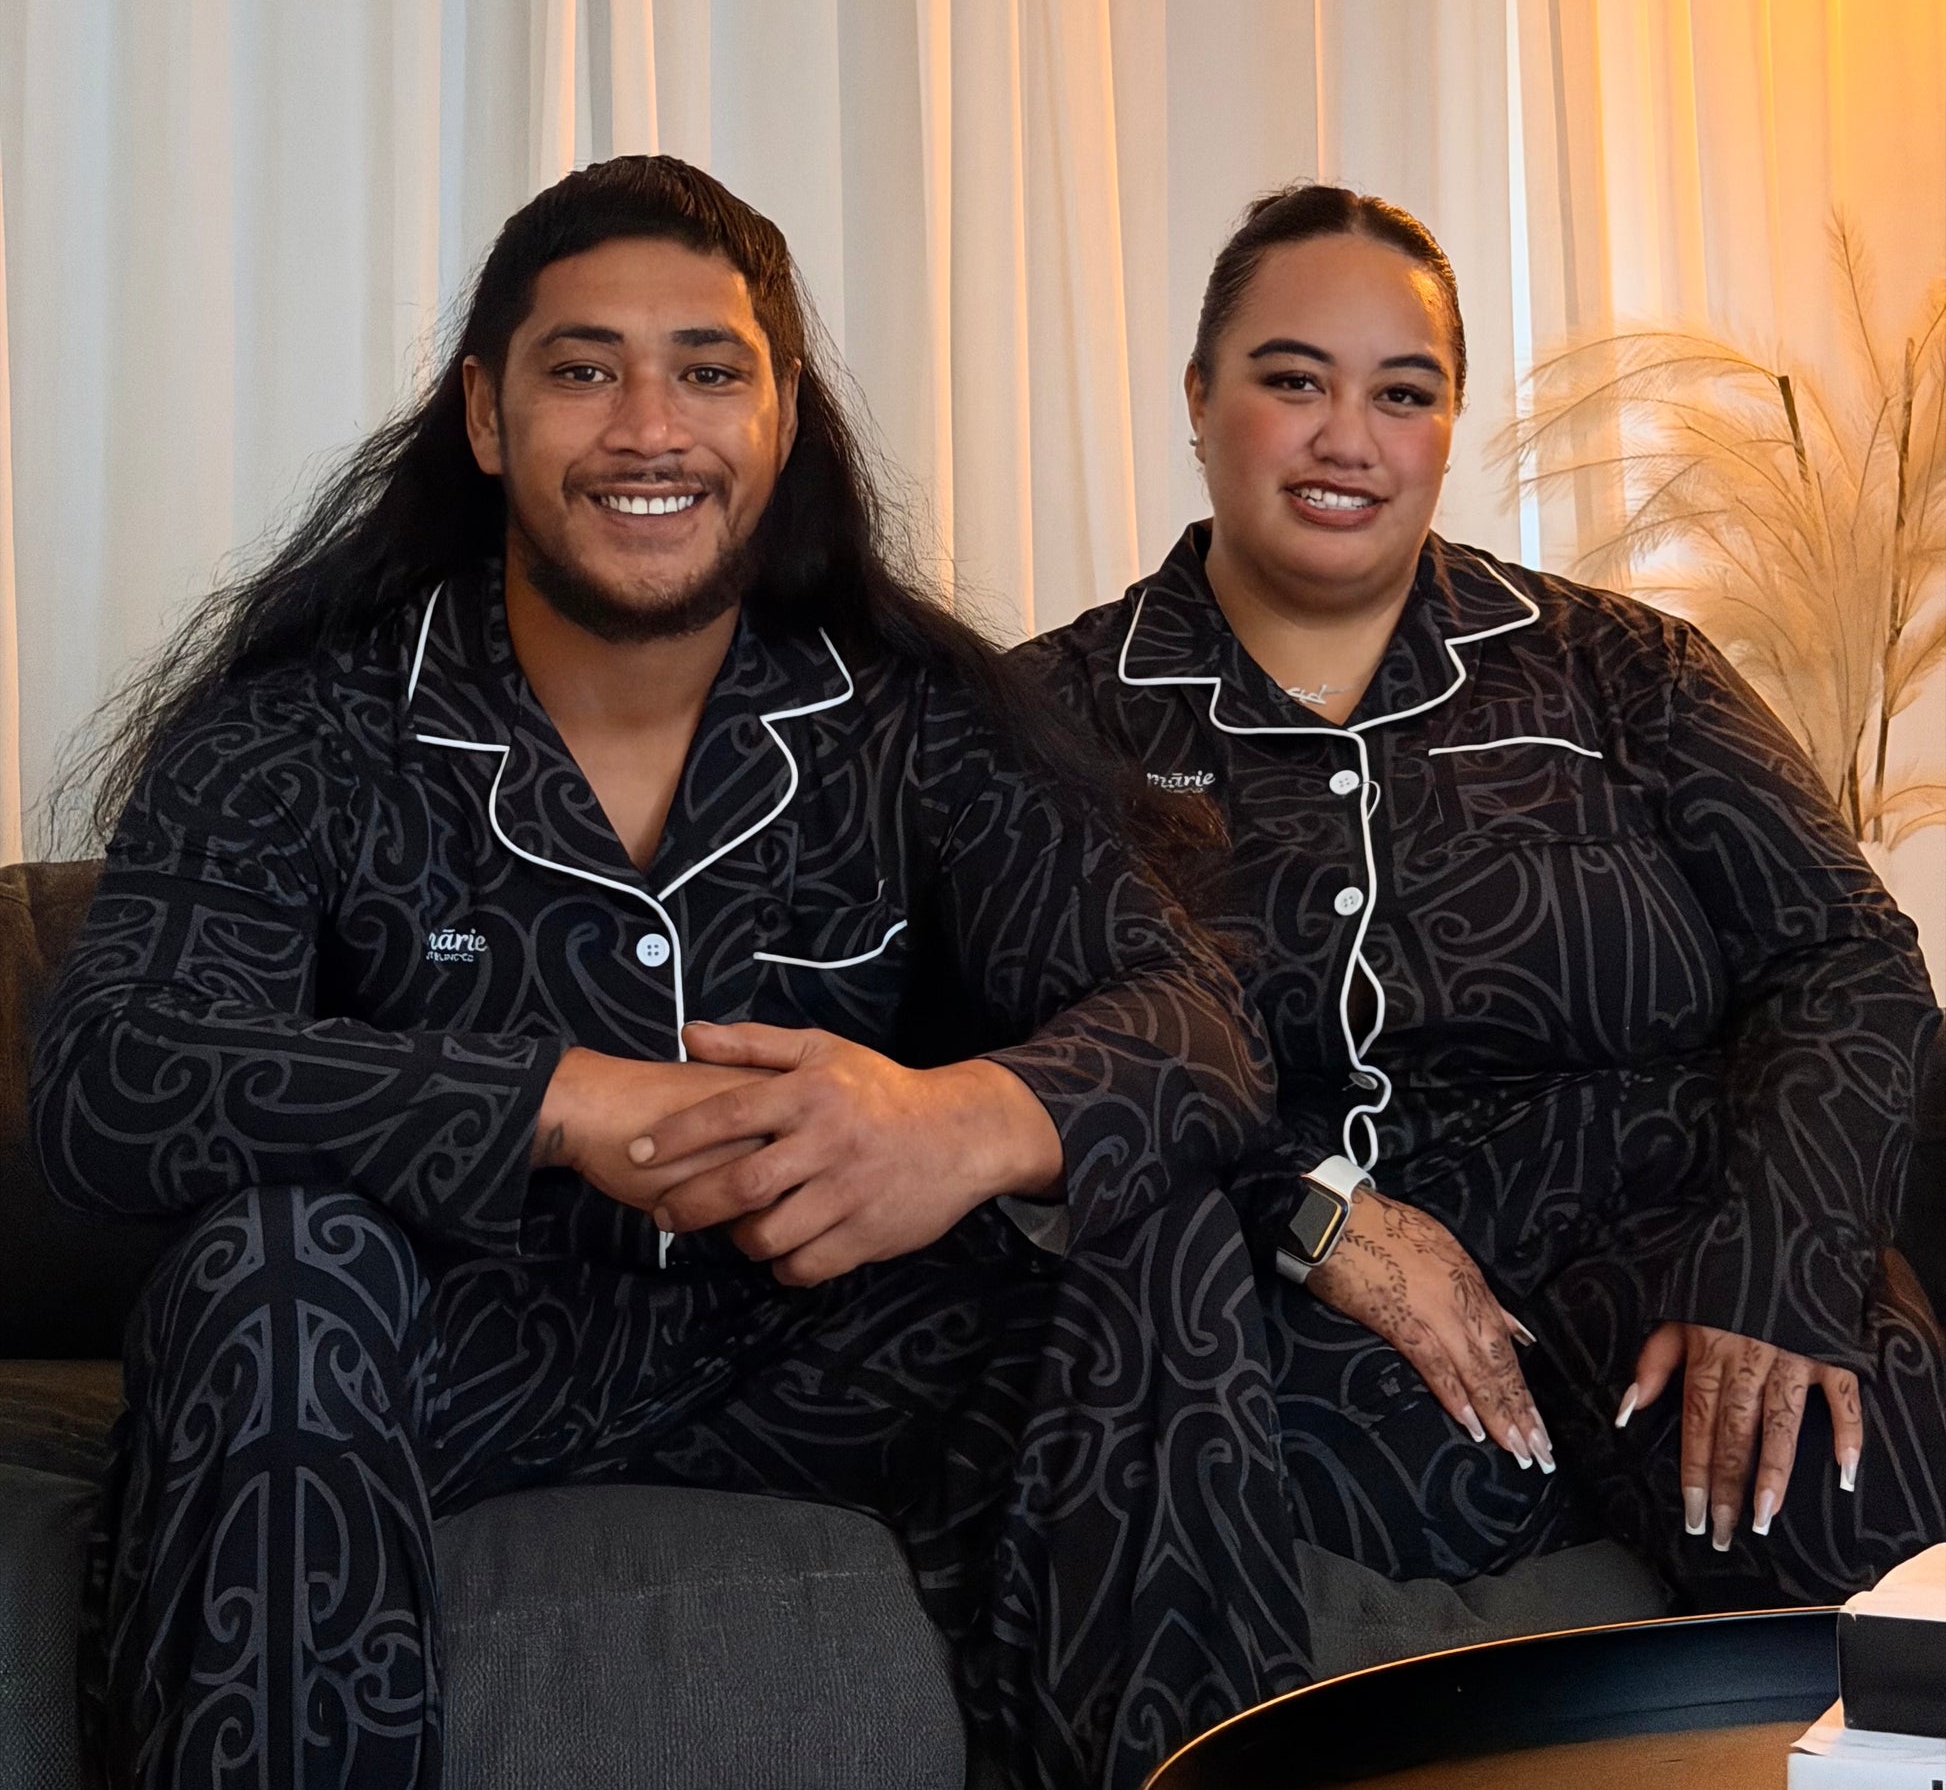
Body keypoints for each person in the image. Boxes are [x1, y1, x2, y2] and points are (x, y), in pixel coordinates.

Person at [31, 156, 1306, 1790]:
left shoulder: (913, 719)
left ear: (782, 420)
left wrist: (957, 1122)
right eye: (584, 371)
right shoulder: (300, 728)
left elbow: (1193, 1021)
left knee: (1160, 1238)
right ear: (485, 415)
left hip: (824, 1342)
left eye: (708, 372)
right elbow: (116, 1074)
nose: (649, 429)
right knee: (270, 1264)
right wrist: (557, 1098)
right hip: (435, 1343)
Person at [1019, 181, 1946, 1617]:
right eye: (1292, 381)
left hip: (1661, 1241)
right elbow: (1018, 1050)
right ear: (1198, 397)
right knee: (1169, 1529)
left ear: (1447, 424)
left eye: (1403, 393)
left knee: (1836, 1472)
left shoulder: (1623, 671)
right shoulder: (1048, 717)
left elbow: (1844, 958)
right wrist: (1310, 1211)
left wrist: (1777, 1265)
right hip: (1278, 1286)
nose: (1347, 438)